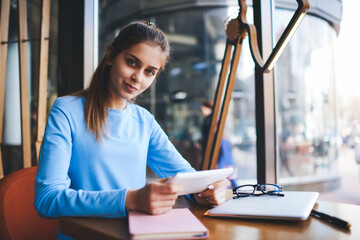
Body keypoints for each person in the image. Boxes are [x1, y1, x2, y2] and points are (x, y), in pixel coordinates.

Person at [34, 21, 229, 239]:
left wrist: (204, 191)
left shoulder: (144, 121)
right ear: (110, 55)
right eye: (132, 62)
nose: (138, 77)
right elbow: (47, 199)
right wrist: (131, 200)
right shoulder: (66, 111)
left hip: (135, 235)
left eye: (150, 71)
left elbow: (185, 176)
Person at [200, 100, 237, 188]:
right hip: (222, 158)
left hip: (222, 158)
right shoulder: (211, 120)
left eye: (203, 108)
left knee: (228, 179)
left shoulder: (212, 121)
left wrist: (217, 165)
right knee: (231, 181)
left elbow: (224, 155)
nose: (202, 110)